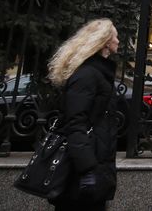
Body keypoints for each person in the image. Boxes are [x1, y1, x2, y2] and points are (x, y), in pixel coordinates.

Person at [47, 18, 121, 211]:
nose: (118, 40)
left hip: (94, 160)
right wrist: (88, 169)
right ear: (105, 41)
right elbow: (75, 122)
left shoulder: (98, 73)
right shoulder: (87, 74)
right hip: (81, 169)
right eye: (116, 36)